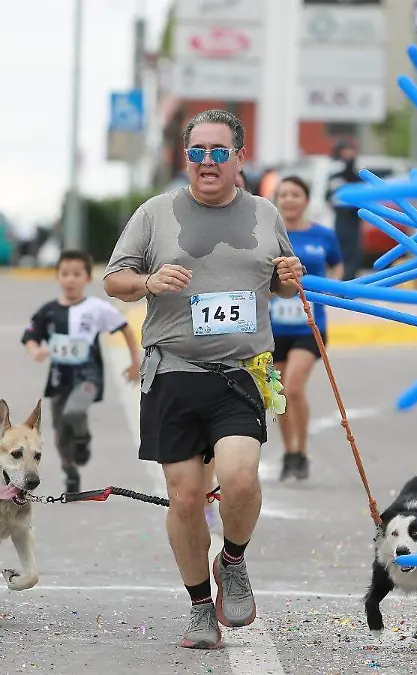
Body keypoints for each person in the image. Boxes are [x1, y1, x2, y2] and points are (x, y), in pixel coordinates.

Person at [103, 108, 303, 650]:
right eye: (198, 152)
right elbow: (113, 280)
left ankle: (232, 560)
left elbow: (282, 283)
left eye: (219, 152)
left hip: (240, 374)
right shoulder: (155, 213)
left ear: (240, 158)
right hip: (172, 372)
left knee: (240, 479)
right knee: (186, 498)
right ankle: (198, 606)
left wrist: (289, 278)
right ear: (185, 157)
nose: (207, 162)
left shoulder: (265, 214)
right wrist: (149, 280)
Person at [21, 250, 140, 493]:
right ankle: (71, 472)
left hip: (88, 377)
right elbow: (30, 336)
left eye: (77, 274)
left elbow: (125, 329)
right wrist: (35, 351)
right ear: (58, 277)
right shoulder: (49, 312)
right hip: (59, 379)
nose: (70, 279)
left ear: (87, 278)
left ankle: (83, 438)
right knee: (59, 431)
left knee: (75, 411)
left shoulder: (96, 308)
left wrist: (134, 362)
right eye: (65, 274)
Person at [269, 176, 342, 481]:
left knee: (295, 387)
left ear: (306, 199)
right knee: (281, 393)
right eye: (282, 194)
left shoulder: (323, 235)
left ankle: (302, 449)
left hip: (310, 327)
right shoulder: (267, 236)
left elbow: (336, 265)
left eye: (295, 194)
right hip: (273, 329)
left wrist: (330, 290)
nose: (288, 200)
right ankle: (290, 453)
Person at [327, 140, 363, 279]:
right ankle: (341, 289)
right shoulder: (335, 176)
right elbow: (329, 198)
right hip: (341, 220)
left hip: (354, 221)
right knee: (341, 256)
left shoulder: (358, 177)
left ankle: (349, 288)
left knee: (353, 256)